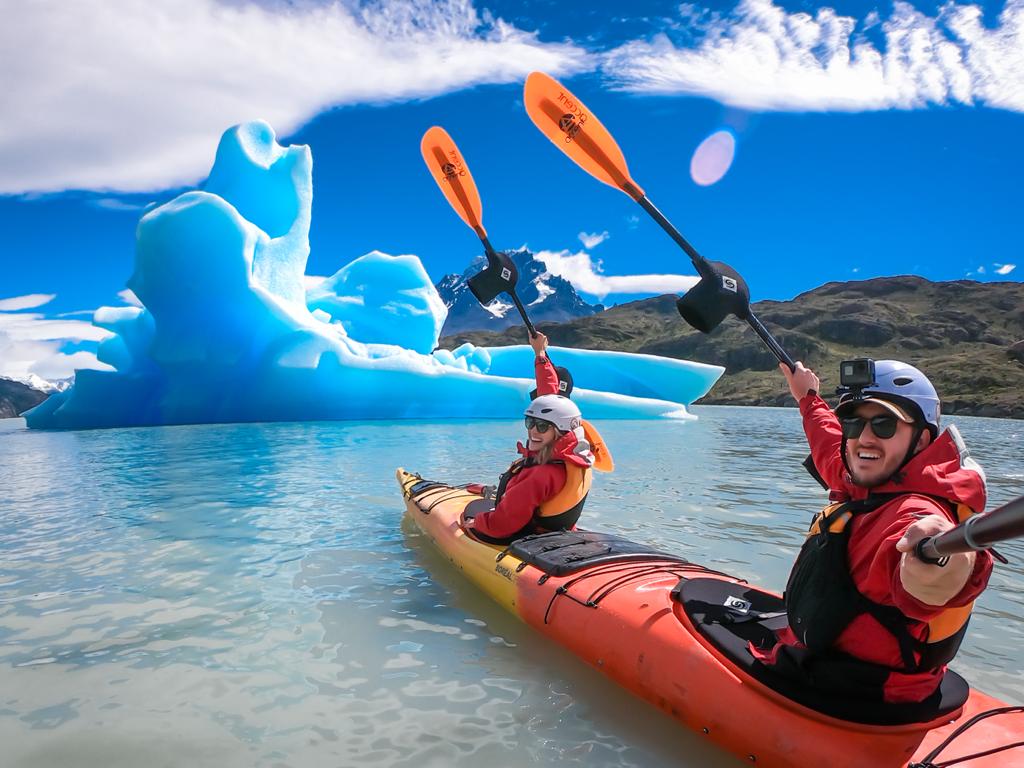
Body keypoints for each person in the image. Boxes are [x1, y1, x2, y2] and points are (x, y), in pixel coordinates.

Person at [754, 358, 993, 706]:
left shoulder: (915, 513)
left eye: (884, 424)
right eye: (852, 422)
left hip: (854, 692)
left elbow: (934, 577)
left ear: (922, 440)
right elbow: (829, 447)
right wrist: (808, 398)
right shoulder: (871, 480)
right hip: (860, 673)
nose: (863, 438)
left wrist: (938, 560)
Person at [461, 331, 595, 544]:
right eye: (529, 423)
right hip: (556, 528)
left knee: (469, 515)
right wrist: (540, 353)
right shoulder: (574, 452)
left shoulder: (539, 475)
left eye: (541, 426)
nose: (533, 430)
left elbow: (504, 523)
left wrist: (478, 523)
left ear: (559, 431)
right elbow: (548, 397)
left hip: (525, 532)